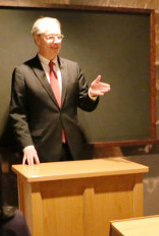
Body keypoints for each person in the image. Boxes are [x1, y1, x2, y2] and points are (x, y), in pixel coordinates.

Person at [9, 17, 111, 165]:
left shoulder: (73, 68)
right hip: (40, 150)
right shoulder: (23, 72)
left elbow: (86, 104)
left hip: (74, 149)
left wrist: (91, 94)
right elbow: (17, 113)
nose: (56, 42)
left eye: (59, 37)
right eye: (50, 37)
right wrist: (27, 145)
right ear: (37, 39)